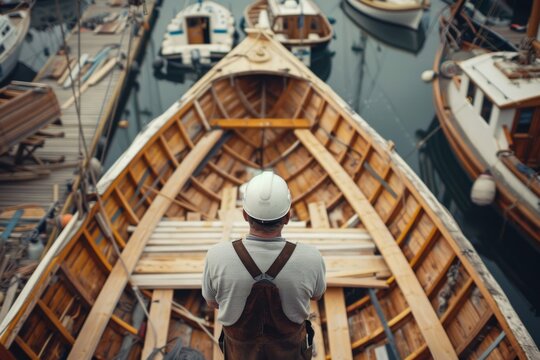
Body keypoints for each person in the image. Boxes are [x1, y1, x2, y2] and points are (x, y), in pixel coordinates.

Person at [202, 171, 326, 359]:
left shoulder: (216, 256)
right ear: (287, 217)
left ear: (244, 215)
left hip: (239, 354)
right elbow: (317, 295)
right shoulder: (311, 258)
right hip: (289, 353)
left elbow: (212, 302)